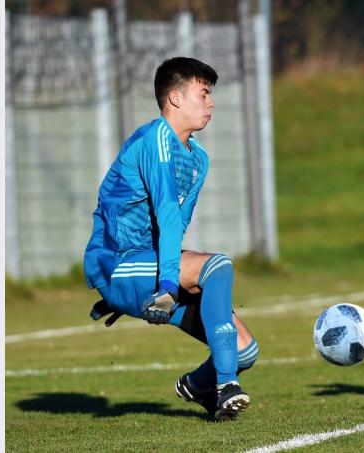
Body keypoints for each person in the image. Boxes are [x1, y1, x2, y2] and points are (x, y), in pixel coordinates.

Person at [83, 57, 259, 422]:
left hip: (146, 266)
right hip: (117, 263)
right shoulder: (155, 140)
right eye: (204, 93)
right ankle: (227, 385)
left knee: (245, 351)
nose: (211, 103)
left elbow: (177, 224)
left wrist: (163, 279)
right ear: (175, 98)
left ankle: (197, 386)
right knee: (217, 265)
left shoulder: (199, 159)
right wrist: (166, 285)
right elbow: (166, 212)